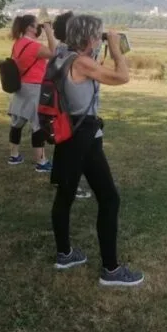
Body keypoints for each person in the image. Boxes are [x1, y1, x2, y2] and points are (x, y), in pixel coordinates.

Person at [51, 15, 144, 287]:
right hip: (85, 136)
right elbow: (123, 77)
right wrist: (115, 48)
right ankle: (111, 270)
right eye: (98, 35)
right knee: (109, 199)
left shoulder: (61, 54)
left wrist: (98, 50)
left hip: (66, 132)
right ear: (90, 37)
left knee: (65, 194)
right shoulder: (82, 62)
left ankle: (64, 253)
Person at [48, 11, 91, 199]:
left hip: (59, 103)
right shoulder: (74, 55)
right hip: (74, 108)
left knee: (63, 142)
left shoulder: (60, 49)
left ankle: (58, 177)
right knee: (76, 150)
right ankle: (72, 184)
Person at [7, 14, 56, 171]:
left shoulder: (17, 44)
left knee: (17, 122)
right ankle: (41, 162)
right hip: (34, 87)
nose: (39, 28)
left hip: (20, 86)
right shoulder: (34, 47)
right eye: (37, 25)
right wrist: (49, 32)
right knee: (38, 124)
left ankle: (14, 155)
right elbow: (53, 53)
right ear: (29, 27)